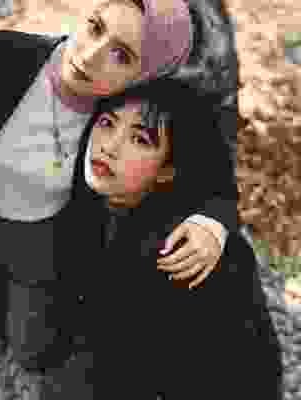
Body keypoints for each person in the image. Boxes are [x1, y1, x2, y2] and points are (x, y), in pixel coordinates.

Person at [0, 0, 239, 388]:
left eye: (121, 56)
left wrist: (211, 222)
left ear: (144, 77)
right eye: (96, 27)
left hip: (44, 239)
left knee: (31, 345)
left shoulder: (125, 110)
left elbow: (208, 170)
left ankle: (23, 362)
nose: (90, 55)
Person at [52, 86, 283, 399]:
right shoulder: (93, 194)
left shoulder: (183, 252)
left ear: (166, 172)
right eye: (107, 123)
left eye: (140, 139)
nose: (109, 147)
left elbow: (247, 374)